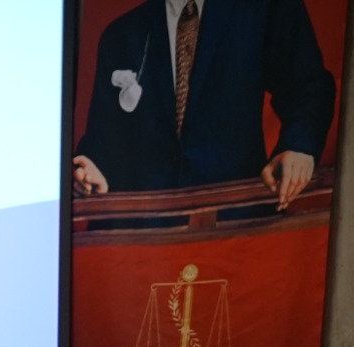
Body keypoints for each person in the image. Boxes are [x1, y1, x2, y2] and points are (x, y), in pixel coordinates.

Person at [71, 0, 336, 209]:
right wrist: (90, 170)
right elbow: (103, 141)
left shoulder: (263, 7)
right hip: (144, 231)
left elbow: (308, 86)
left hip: (235, 219)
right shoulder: (121, 34)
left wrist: (298, 147)